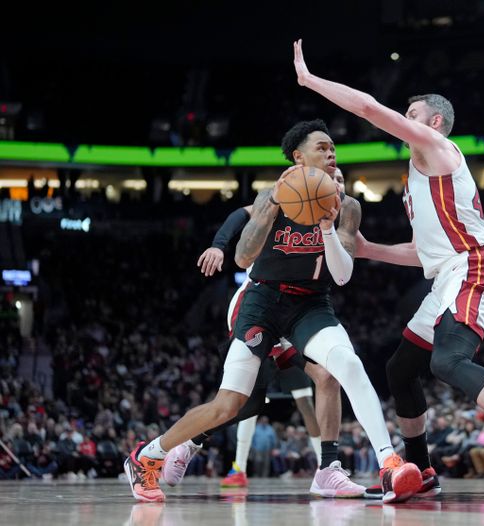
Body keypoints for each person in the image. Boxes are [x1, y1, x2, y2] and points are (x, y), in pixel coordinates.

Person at [292, 39, 484, 504]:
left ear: (435, 122)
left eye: (413, 113)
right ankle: (421, 468)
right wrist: (367, 249)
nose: (406, 119)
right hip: (447, 273)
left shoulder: (437, 148)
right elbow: (424, 254)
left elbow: (366, 106)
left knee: (447, 360)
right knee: (401, 368)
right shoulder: (418, 176)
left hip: (474, 266)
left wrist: (310, 80)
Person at [124, 120, 421, 503]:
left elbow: (343, 276)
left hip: (311, 303)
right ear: (298, 157)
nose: (331, 154)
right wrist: (269, 211)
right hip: (262, 302)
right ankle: (148, 455)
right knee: (230, 404)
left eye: (334, 148)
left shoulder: (347, 206)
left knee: (345, 364)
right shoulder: (273, 196)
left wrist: (328, 229)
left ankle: (387, 464)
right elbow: (244, 256)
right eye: (322, 147)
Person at [167, 171, 347, 489]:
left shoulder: (330, 210)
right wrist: (219, 246)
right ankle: (190, 446)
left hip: (294, 311)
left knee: (324, 376)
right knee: (248, 401)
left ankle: (327, 466)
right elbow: (239, 213)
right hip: (256, 305)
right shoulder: (282, 197)